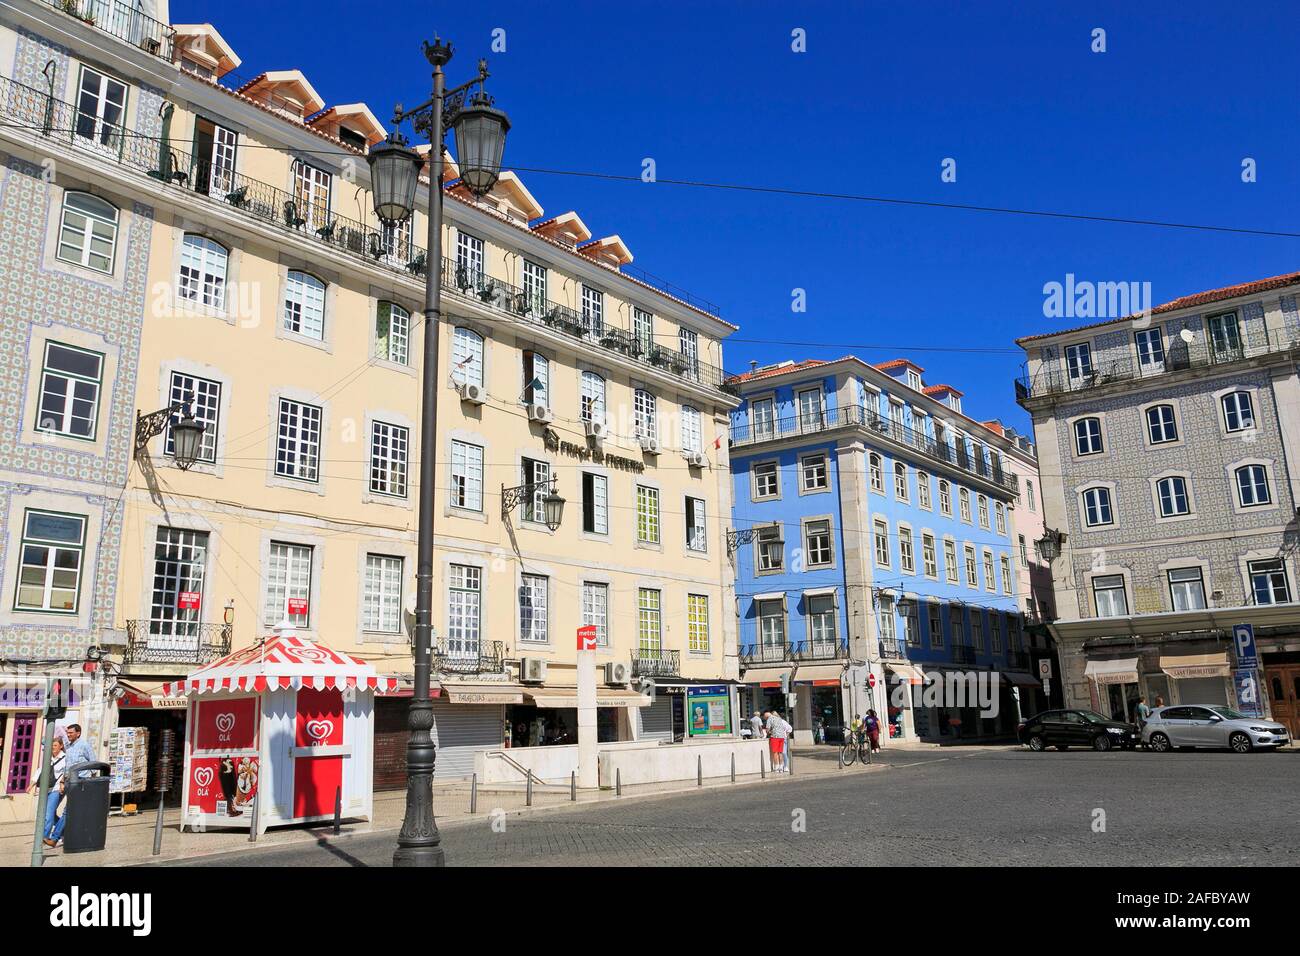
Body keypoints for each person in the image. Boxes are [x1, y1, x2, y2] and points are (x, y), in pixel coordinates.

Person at [29, 736, 66, 847]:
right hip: (45, 789)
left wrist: (62, 784)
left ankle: (43, 838)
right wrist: (31, 784)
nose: (53, 748)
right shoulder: (48, 757)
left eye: (55, 745)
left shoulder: (65, 759)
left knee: (48, 814)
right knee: (50, 814)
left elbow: (66, 772)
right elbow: (40, 770)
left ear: (61, 746)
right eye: (52, 746)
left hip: (56, 790)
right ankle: (64, 832)